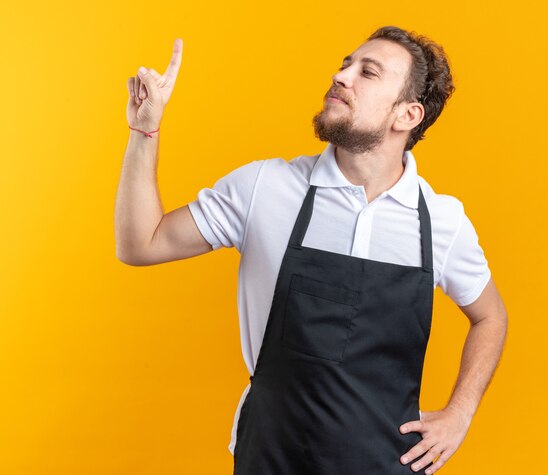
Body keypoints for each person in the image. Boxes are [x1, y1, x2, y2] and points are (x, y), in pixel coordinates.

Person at [115, 26, 508, 475]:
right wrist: (144, 131)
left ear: (407, 115)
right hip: (271, 458)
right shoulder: (265, 187)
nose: (341, 76)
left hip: (386, 464)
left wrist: (460, 413)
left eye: (368, 72)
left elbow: (491, 317)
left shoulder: (441, 223)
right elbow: (139, 244)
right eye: (345, 64)